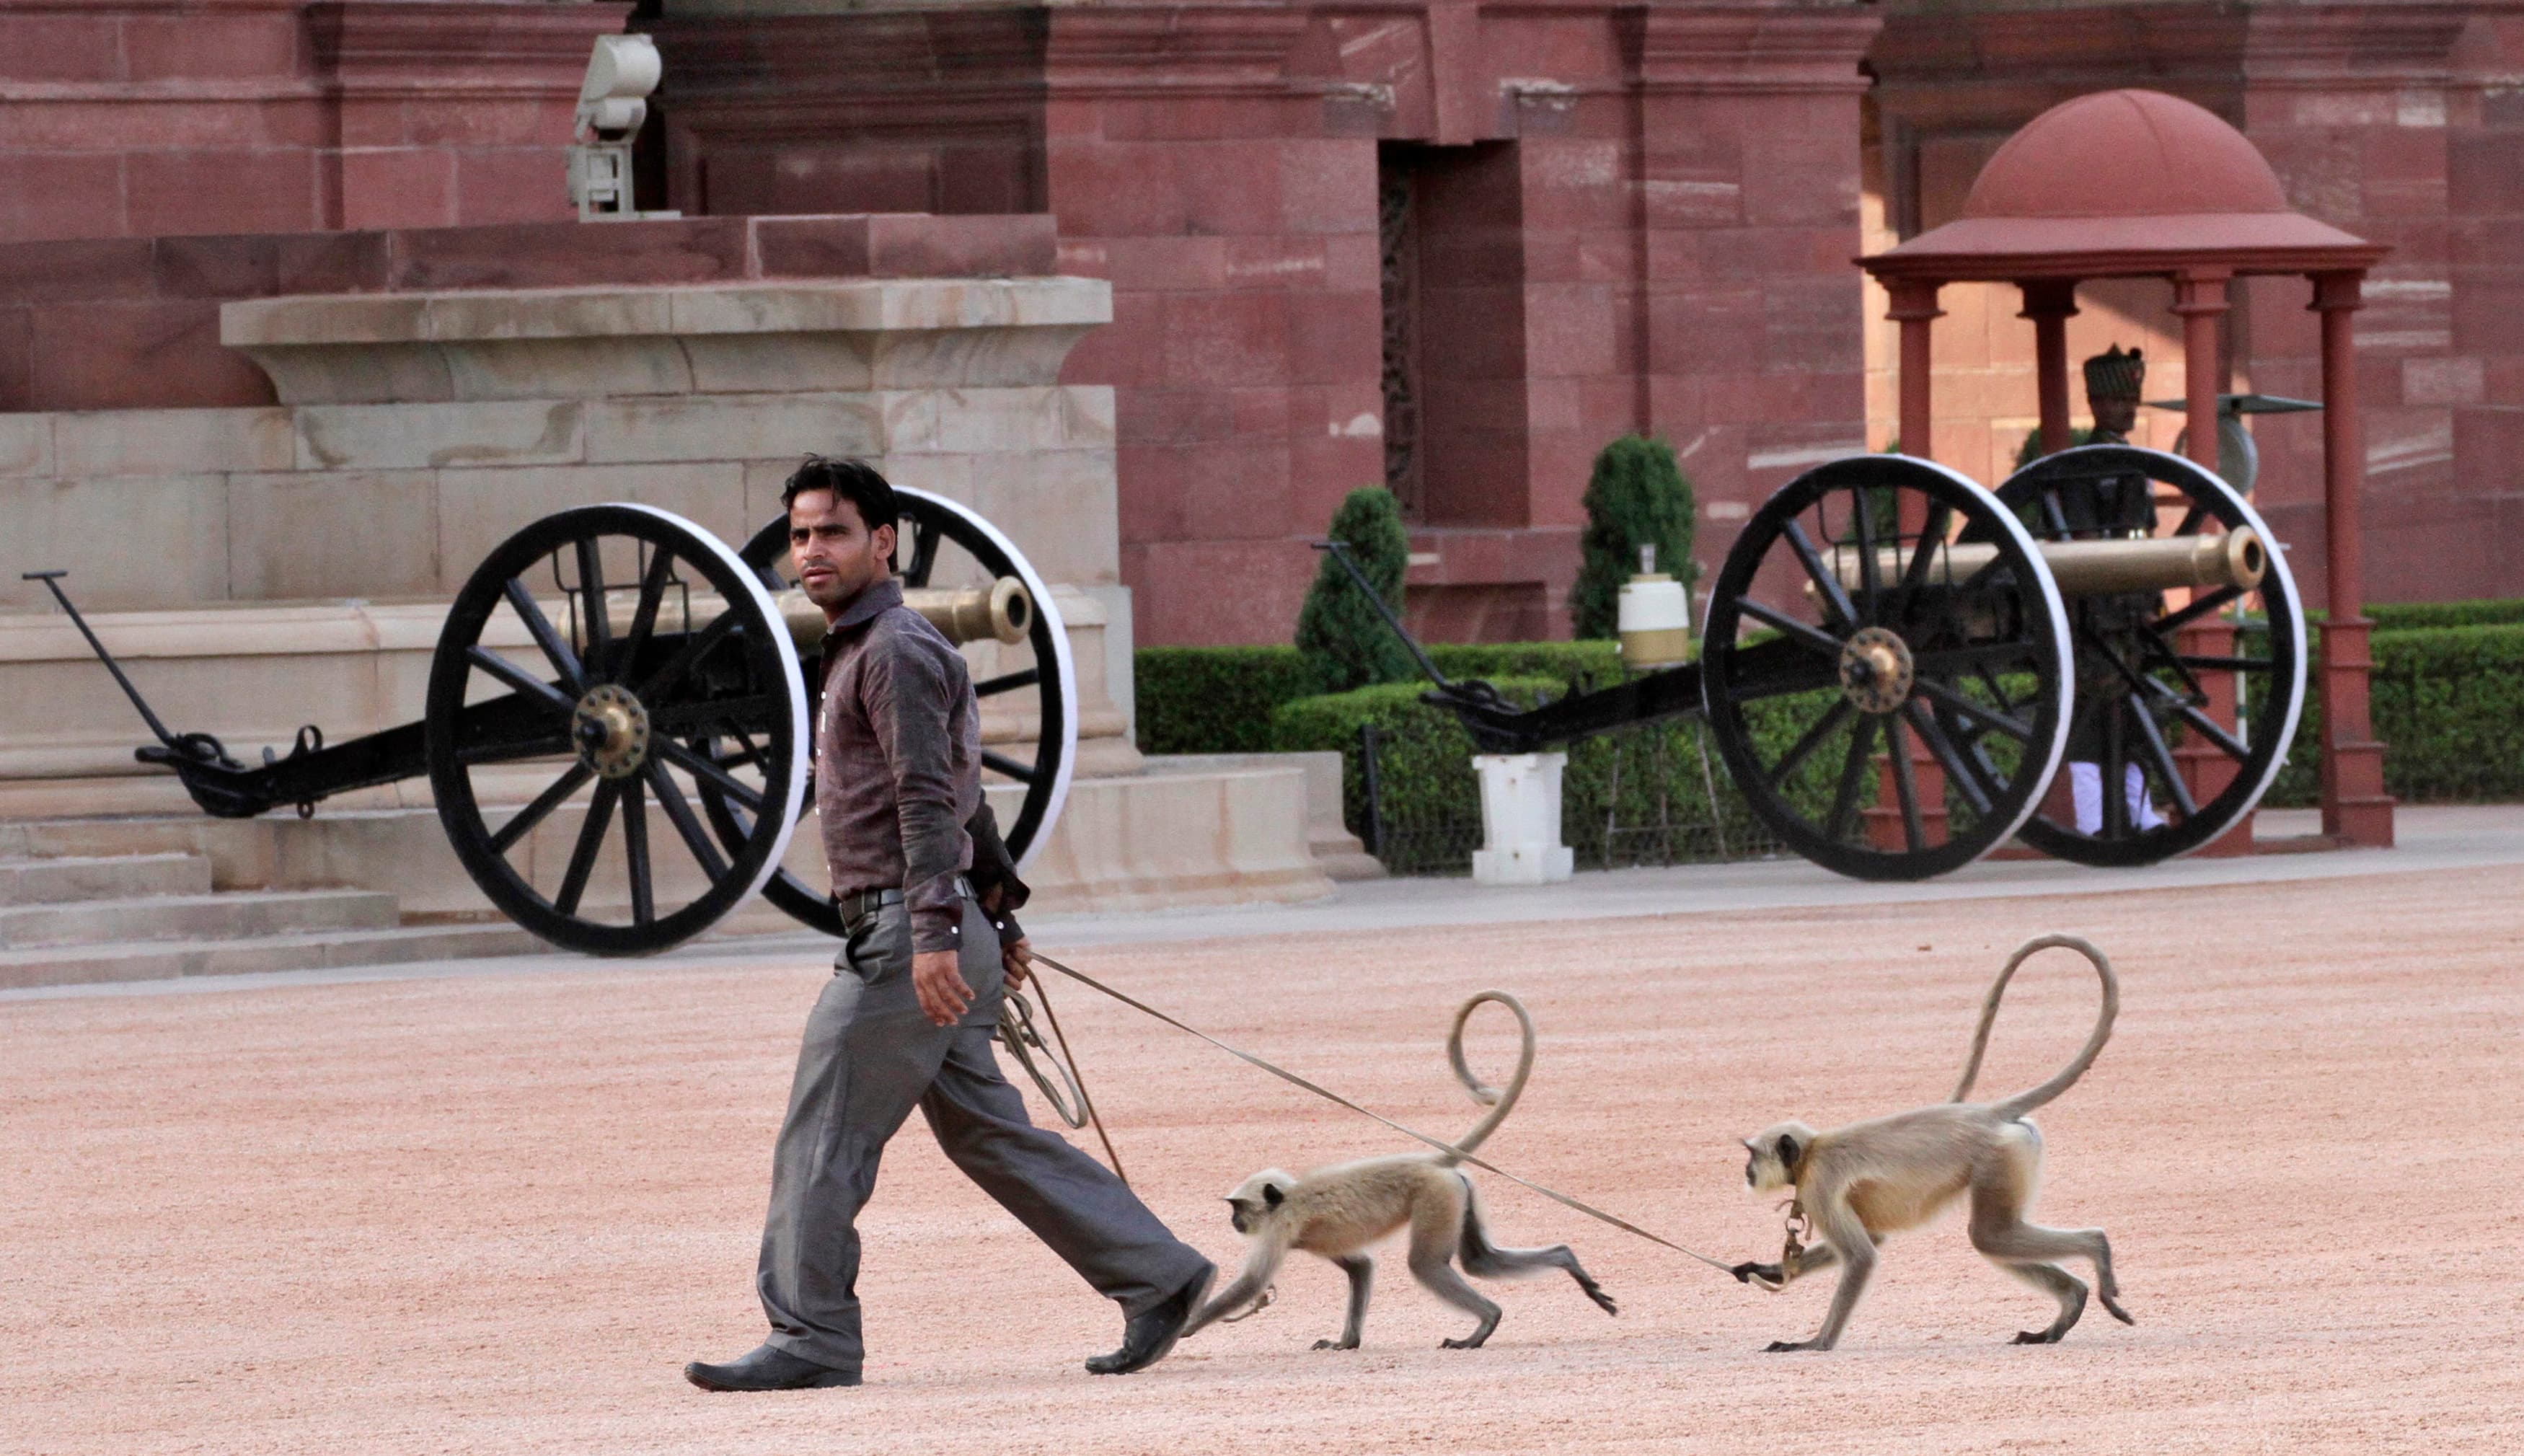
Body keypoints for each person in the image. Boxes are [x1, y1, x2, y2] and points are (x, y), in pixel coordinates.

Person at [685, 456, 1214, 1393]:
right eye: (801, 533)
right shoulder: (876, 646)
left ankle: (811, 1334)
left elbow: (929, 800)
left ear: (882, 541)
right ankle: (1161, 1275)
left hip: (904, 937)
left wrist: (939, 933)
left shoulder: (890, 649)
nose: (812, 549)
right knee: (990, 1135)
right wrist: (996, 915)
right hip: (933, 923)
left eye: (834, 531)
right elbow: (967, 797)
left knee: (823, 1130)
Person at [2062, 345, 2167, 837]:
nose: (2129, 408)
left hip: (2127, 608)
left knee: (2134, 710)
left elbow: (2142, 533)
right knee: (2090, 715)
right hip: (2096, 611)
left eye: (2132, 398)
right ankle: (2092, 821)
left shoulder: (2131, 463)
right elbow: (2084, 542)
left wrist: (2149, 596)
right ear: (2095, 404)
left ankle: (2139, 813)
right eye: (2119, 400)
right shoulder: (2086, 464)